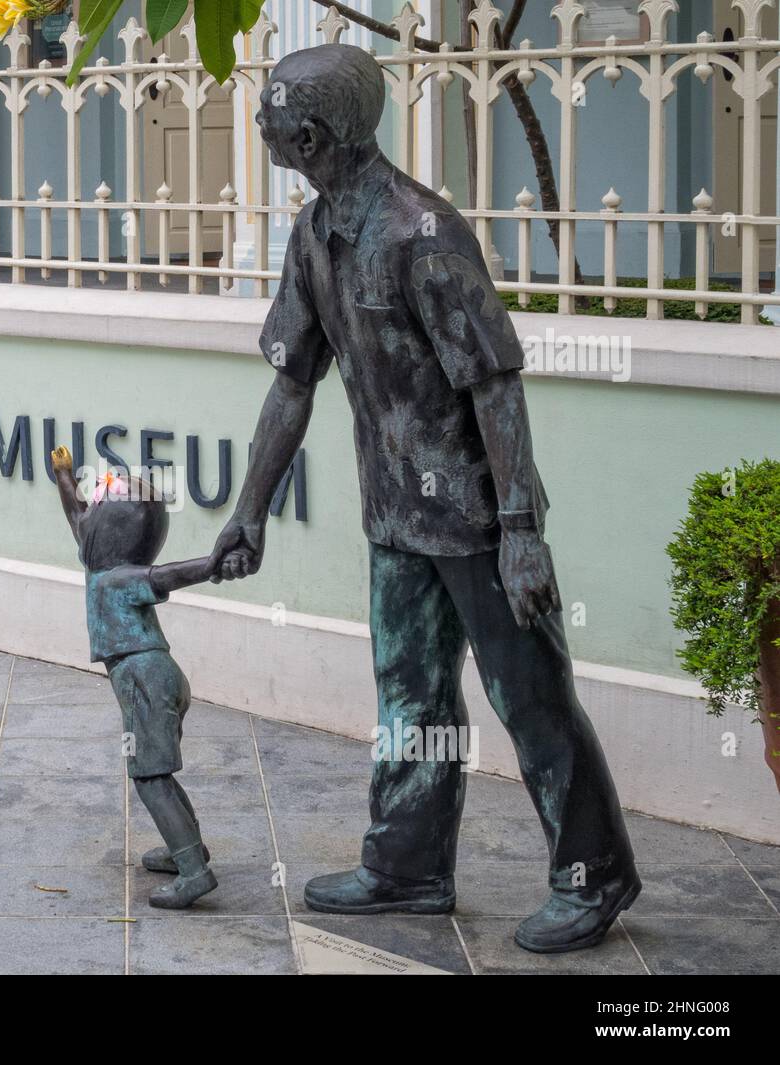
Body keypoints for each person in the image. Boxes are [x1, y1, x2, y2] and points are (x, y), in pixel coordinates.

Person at [208, 43, 640, 953]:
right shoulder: (317, 233)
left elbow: (496, 383)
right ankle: (407, 864)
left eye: (271, 117)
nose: (262, 129)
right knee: (410, 695)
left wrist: (522, 528)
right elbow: (293, 383)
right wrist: (250, 508)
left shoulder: (423, 234)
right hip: (396, 516)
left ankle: (592, 873)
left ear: (311, 134)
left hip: (477, 520)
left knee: (531, 698)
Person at [51, 446, 218, 909]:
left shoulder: (117, 578)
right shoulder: (100, 565)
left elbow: (168, 575)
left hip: (144, 679)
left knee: (150, 777)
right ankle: (188, 849)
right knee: (156, 773)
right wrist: (63, 475)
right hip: (156, 677)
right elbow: (76, 515)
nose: (89, 512)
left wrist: (213, 564)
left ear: (111, 530)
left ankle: (194, 872)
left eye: (99, 507)